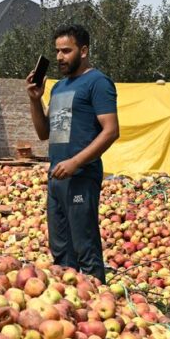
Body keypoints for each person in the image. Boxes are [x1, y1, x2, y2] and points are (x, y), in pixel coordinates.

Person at [27, 24, 120, 284]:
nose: (59, 57)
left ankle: (99, 305)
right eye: (57, 51)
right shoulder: (58, 88)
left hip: (81, 175)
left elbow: (111, 131)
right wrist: (35, 99)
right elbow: (44, 133)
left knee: (84, 246)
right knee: (61, 251)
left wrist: (76, 161)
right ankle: (71, 309)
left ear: (84, 50)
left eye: (66, 51)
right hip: (57, 177)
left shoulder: (98, 83)